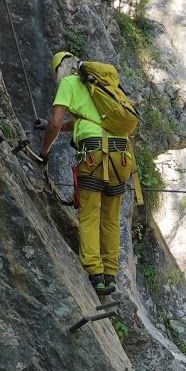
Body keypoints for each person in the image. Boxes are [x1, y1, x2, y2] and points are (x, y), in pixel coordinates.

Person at [39, 51, 134, 295]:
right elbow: (89, 120)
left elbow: (55, 122)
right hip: (122, 155)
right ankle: (110, 275)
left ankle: (95, 274)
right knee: (111, 218)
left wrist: (44, 151)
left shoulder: (69, 83)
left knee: (89, 214)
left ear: (59, 70)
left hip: (93, 154)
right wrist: (57, 128)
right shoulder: (102, 85)